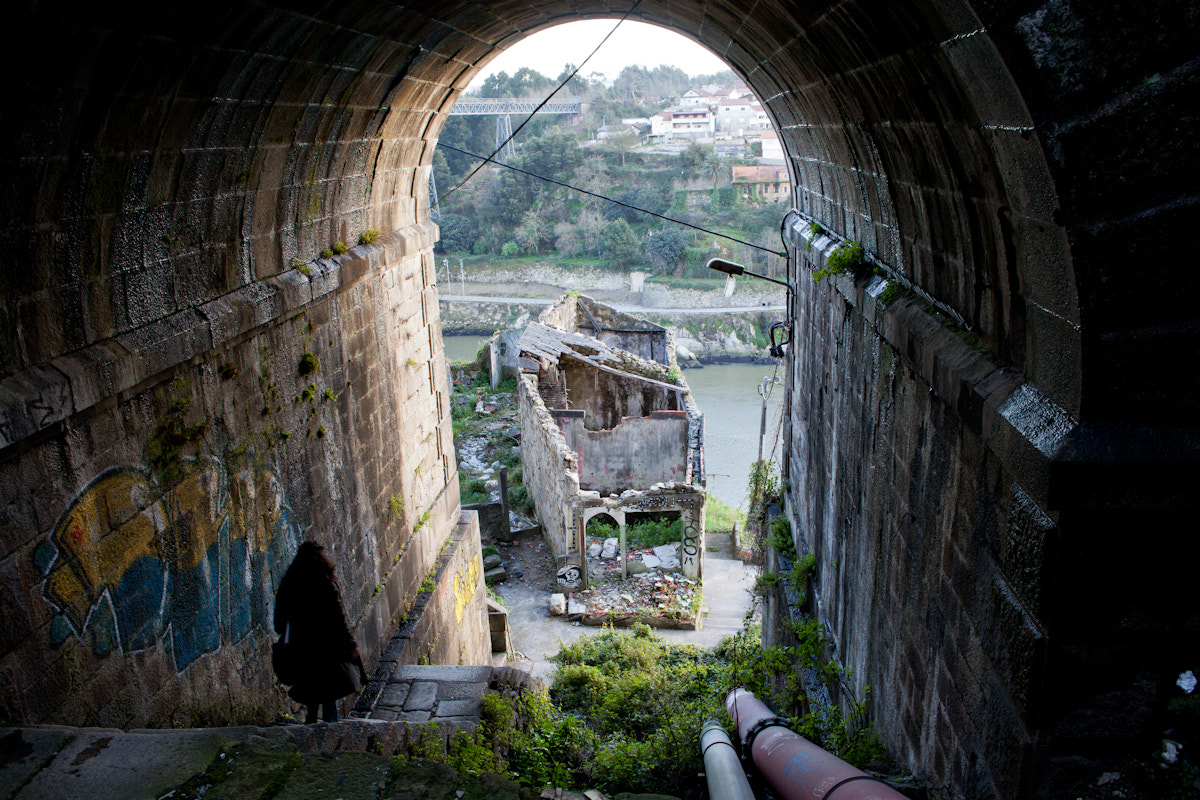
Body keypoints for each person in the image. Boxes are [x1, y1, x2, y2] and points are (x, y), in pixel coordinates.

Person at [273, 540, 369, 723]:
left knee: (311, 688)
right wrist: (351, 646)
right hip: (327, 649)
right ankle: (329, 730)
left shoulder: (288, 587)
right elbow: (339, 621)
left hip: (299, 650)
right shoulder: (325, 585)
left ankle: (311, 722)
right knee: (328, 692)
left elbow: (278, 623)